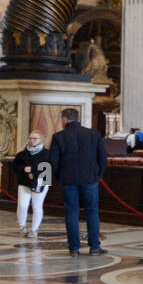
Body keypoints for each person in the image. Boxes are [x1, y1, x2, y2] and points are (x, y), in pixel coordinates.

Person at [49, 108, 107, 256]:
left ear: (65, 119)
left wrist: (59, 177)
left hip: (68, 180)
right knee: (92, 212)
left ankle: (74, 248)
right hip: (90, 179)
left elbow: (53, 162)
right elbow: (102, 159)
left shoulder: (58, 136)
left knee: (71, 213)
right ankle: (94, 247)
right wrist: (97, 175)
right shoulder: (94, 134)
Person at [11, 130, 52, 239]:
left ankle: (34, 229)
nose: (32, 140)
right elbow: (15, 167)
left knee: (37, 206)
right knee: (22, 205)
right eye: (30, 138)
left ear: (41, 140)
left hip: (41, 182)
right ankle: (22, 225)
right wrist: (24, 169)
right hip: (24, 182)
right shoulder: (22, 154)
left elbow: (48, 167)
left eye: (35, 138)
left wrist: (33, 172)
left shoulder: (47, 154)